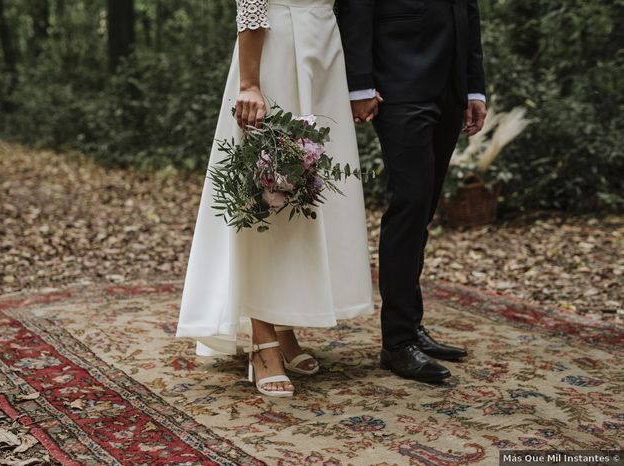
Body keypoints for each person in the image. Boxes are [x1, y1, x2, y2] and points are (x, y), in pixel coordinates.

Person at [176, 0, 374, 397]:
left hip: (324, 52)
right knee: (268, 191)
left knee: (308, 193)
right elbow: (251, 4)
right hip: (275, 49)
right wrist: (250, 83)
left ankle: (284, 324)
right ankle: (262, 340)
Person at [338, 0, 488, 383]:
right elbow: (355, 8)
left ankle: (413, 327)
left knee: (424, 208)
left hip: (450, 86)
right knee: (410, 203)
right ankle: (398, 342)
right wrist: (359, 84)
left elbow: (467, 11)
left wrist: (474, 88)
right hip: (398, 84)